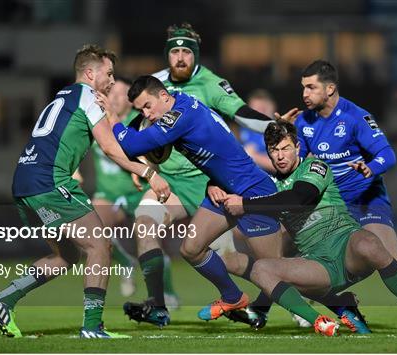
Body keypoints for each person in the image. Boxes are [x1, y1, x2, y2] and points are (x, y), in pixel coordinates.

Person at [0, 44, 169, 339]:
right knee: (100, 246)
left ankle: (5, 299)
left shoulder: (61, 97)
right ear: (90, 73)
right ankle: (93, 327)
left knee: (67, 256)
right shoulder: (88, 97)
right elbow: (110, 148)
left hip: (24, 184)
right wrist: (148, 172)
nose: (111, 80)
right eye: (108, 74)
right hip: (49, 182)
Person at [285, 59, 397, 333]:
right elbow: (301, 162)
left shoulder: (356, 117)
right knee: (300, 261)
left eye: (311, 87)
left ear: (330, 88)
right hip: (333, 204)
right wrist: (285, 132)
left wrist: (370, 167)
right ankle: (343, 306)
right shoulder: (304, 122)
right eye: (303, 88)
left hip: (366, 199)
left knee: (393, 259)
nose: (304, 94)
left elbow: (388, 155)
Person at [223, 120, 397, 336]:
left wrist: (245, 205)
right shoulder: (269, 185)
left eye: (286, 148)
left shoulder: (315, 166)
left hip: (348, 250)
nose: (280, 156)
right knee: (261, 270)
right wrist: (216, 187)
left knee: (369, 242)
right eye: (274, 150)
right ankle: (321, 321)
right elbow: (232, 181)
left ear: (297, 147)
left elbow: (300, 197)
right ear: (268, 152)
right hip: (319, 266)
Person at [121, 23, 277, 328]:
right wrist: (145, 168)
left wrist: (272, 125)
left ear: (196, 55)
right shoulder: (154, 85)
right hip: (170, 182)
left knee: (228, 260)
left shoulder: (211, 84)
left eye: (186, 52)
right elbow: (135, 128)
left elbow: (241, 113)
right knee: (145, 223)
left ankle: (281, 289)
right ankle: (158, 305)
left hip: (208, 184)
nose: (180, 58)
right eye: (175, 52)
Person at [89, 76, 179, 302]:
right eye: (113, 93)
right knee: (90, 226)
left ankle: (166, 292)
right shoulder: (97, 121)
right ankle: (125, 263)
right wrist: (71, 169)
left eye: (122, 94)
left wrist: (144, 168)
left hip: (138, 191)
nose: (116, 98)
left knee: (152, 244)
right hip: (109, 194)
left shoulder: (139, 122)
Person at [239, 89, 276, 173]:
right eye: (254, 110)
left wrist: (253, 156)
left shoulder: (280, 131)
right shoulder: (246, 128)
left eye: (262, 109)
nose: (257, 113)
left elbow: (283, 165)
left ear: (271, 106)